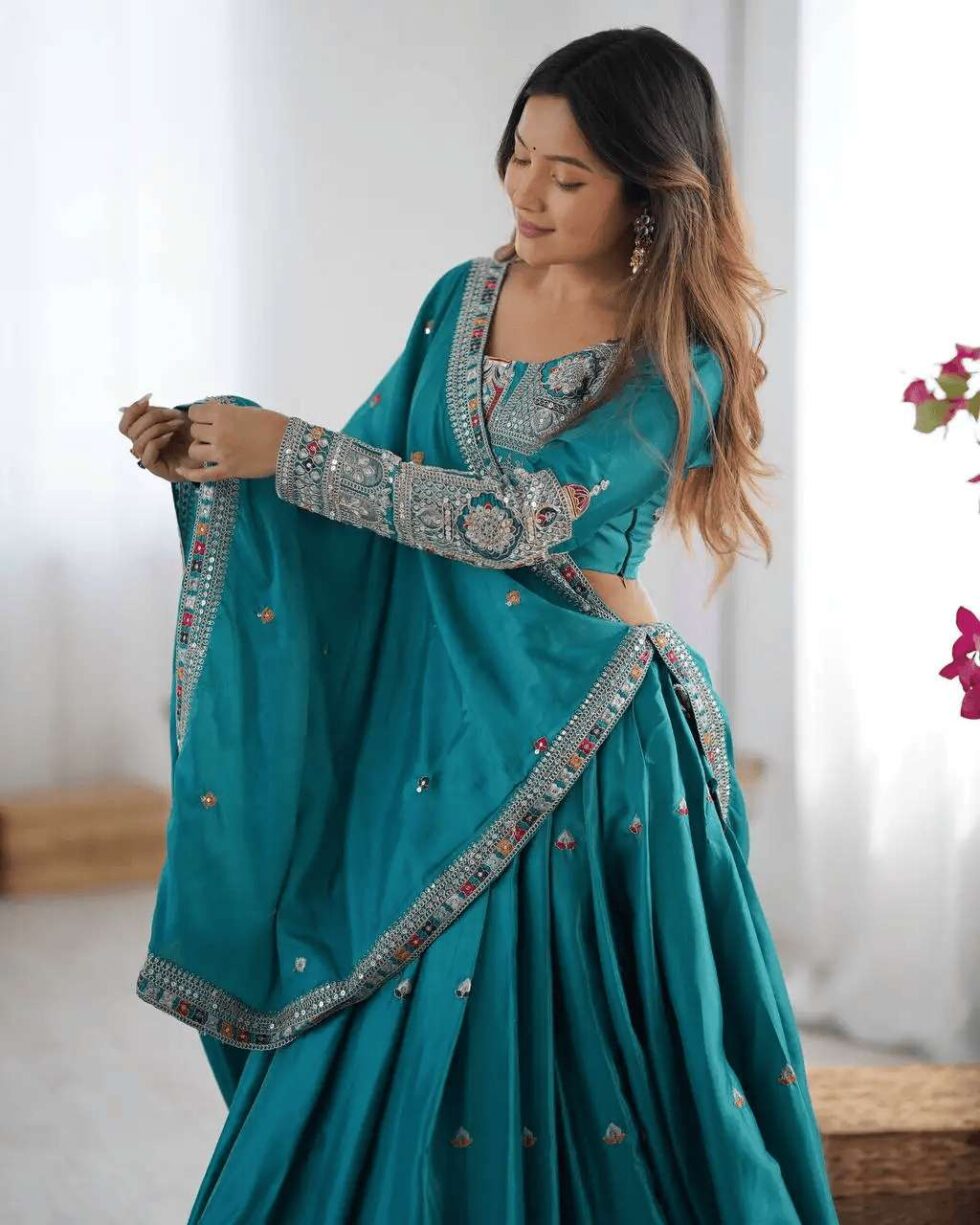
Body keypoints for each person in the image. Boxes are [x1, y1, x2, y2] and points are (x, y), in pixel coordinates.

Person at [119, 26, 839, 1225]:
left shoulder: (679, 358)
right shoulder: (462, 299)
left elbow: (513, 524)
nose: (527, 192)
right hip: (438, 724)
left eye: (569, 175)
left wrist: (283, 449)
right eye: (519, 156)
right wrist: (214, 455)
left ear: (649, 189)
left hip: (588, 736)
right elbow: (361, 487)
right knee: (374, 1012)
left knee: (570, 1048)